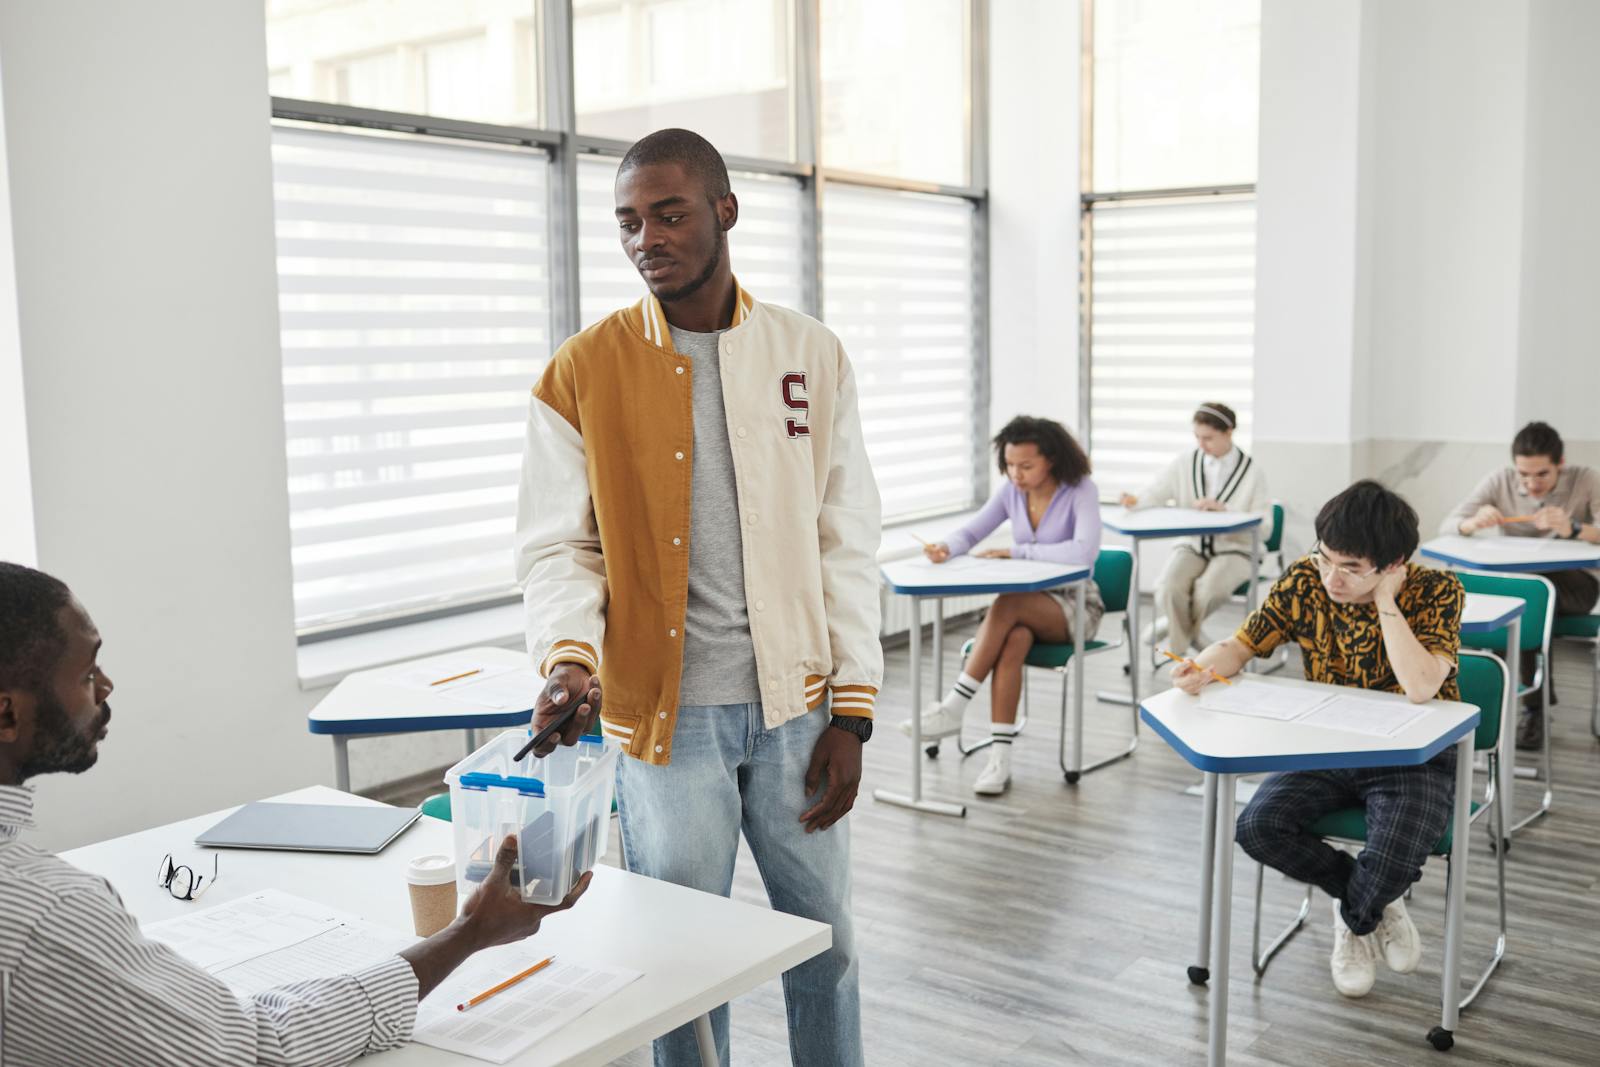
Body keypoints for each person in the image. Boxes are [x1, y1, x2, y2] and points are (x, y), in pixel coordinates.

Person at [514, 128, 880, 1067]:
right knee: (677, 961)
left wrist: (854, 710)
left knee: (826, 942)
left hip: (798, 709)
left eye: (670, 214)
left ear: (724, 211)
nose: (648, 238)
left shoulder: (811, 353)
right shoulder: (578, 373)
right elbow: (560, 545)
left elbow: (845, 538)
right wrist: (567, 657)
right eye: (629, 222)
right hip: (665, 725)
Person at [0, 562, 590, 1066]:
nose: (105, 686)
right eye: (84, 674)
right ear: (7, 715)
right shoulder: (46, 913)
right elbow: (259, 1048)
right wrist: (470, 933)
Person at [1171, 480, 1464, 1001]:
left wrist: (1387, 603)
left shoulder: (1438, 590)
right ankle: (1369, 903)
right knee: (1257, 828)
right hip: (1326, 745)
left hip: (1414, 756)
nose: (1332, 577)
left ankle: (1353, 921)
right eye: (1326, 558)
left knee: (1396, 853)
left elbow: (1421, 687)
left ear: (1394, 563)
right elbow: (1242, 645)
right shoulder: (1306, 580)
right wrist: (1202, 668)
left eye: (1351, 567)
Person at [902, 415, 1102, 796]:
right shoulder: (1012, 491)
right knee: (1014, 641)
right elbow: (973, 530)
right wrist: (946, 546)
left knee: (1009, 604)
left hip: (1076, 604)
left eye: (1026, 466)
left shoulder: (1081, 490)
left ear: (1053, 460)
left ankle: (954, 706)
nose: (1016, 474)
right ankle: (999, 760)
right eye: (1010, 465)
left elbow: (1083, 553)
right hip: (1027, 610)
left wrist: (1016, 551)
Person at [1441, 420, 1600, 749]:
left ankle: (1516, 707)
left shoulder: (1586, 479)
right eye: (1524, 474)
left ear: (1560, 464)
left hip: (1577, 584)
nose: (1531, 483)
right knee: (1519, 605)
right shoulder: (1500, 480)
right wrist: (1472, 524)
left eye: (1542, 474)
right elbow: (1449, 524)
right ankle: (1532, 708)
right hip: (1523, 586)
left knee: (1521, 601)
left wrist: (1574, 528)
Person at [1118, 401, 1270, 655]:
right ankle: (1196, 642)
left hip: (1237, 549)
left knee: (1208, 592)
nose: (1201, 444)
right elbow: (1156, 491)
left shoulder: (1253, 472)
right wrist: (1135, 500)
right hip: (1193, 545)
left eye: (1208, 438)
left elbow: (1264, 527)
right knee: (1168, 588)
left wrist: (1225, 511)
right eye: (1197, 437)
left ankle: (1177, 648)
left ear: (1229, 432)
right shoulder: (1186, 462)